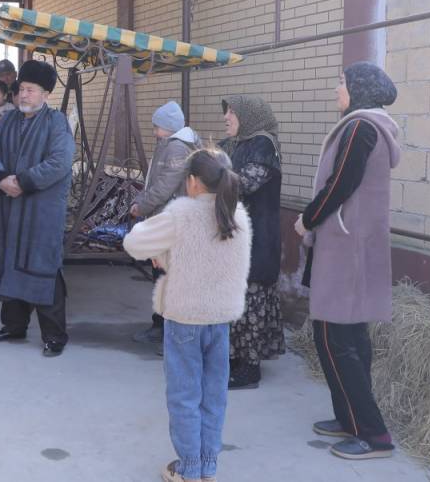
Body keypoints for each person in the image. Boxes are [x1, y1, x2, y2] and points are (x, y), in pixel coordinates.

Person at [123, 148, 251, 482]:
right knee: (214, 395)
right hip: (220, 318)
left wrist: (163, 253)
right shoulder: (238, 216)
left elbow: (134, 243)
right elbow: (216, 261)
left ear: (193, 182)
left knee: (184, 395)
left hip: (185, 318)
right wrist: (169, 255)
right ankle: (208, 466)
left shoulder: (180, 215)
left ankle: (189, 469)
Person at [295, 61, 400, 461]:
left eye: (341, 82)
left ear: (359, 88)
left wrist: (307, 218)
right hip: (349, 243)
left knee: (335, 337)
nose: (336, 89)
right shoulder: (366, 126)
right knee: (346, 336)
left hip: (345, 246)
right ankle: (350, 418)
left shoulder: (360, 127)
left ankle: (373, 435)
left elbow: (340, 184)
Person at [0, 59, 74, 358]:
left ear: (46, 94)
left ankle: (54, 335)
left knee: (43, 267)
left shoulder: (56, 123)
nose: (23, 95)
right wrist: (0, 178)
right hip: (10, 207)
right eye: (21, 89)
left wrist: (23, 182)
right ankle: (13, 326)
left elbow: (59, 163)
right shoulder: (7, 120)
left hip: (41, 211)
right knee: (11, 261)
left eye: (31, 90)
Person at [219, 95, 285, 390]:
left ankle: (250, 368)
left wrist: (210, 174)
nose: (226, 117)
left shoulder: (263, 145)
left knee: (252, 299)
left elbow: (244, 183)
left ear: (249, 116)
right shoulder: (236, 144)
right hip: (236, 236)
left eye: (232, 112)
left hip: (258, 237)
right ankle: (234, 359)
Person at [129, 100, 201, 346]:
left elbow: (163, 187)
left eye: (157, 126)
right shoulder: (170, 145)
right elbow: (155, 181)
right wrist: (142, 200)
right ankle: (162, 327)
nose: (154, 131)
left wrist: (142, 206)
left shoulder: (177, 149)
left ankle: (171, 334)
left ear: (169, 127)